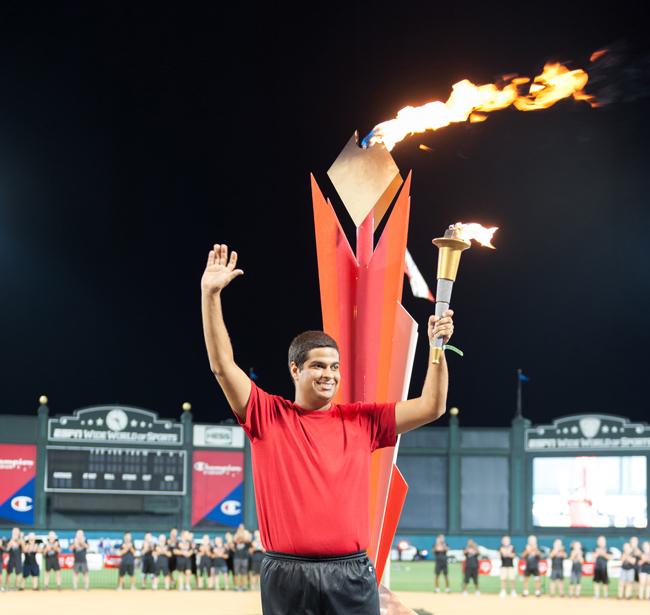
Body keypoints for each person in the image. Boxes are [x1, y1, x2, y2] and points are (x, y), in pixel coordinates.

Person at [201, 244, 453, 613]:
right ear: (295, 370)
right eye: (319, 366)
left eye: (334, 367)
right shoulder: (267, 414)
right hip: (287, 575)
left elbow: (432, 406)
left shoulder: (363, 420)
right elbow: (222, 366)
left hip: (351, 573)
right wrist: (211, 295)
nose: (329, 374)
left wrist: (438, 349)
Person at [592, 535, 611, 599]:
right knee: (597, 582)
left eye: (602, 540)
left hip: (604, 568)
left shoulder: (607, 549)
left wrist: (604, 554)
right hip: (597, 568)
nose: (601, 542)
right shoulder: (596, 549)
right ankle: (597, 595)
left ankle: (606, 595)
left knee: (605, 582)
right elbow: (593, 556)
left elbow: (610, 557)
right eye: (600, 541)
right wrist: (598, 552)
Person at [232, 525, 250, 591]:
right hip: (237, 558)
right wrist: (238, 531)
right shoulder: (236, 539)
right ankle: (236, 587)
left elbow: (246, 540)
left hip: (244, 558)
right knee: (236, 573)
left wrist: (243, 531)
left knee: (243, 573)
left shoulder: (245, 539)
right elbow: (234, 539)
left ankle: (243, 587)